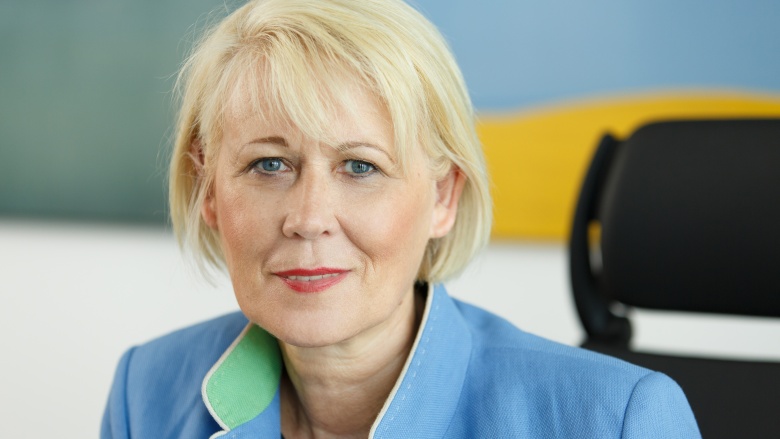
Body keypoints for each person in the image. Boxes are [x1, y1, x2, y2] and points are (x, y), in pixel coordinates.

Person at [101, 0, 701, 437]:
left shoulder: (615, 421)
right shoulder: (146, 394)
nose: (309, 218)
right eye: (269, 164)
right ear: (208, 189)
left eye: (360, 167)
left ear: (442, 197)